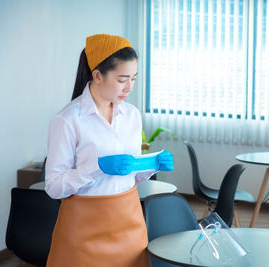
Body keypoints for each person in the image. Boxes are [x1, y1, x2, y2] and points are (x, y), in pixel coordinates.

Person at [45, 34, 173, 267]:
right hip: (83, 231)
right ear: (97, 75)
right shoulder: (68, 120)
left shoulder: (131, 115)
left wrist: (151, 166)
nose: (130, 87)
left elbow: (129, 175)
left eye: (134, 78)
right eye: (122, 79)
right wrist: (97, 168)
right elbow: (53, 187)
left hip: (129, 223)